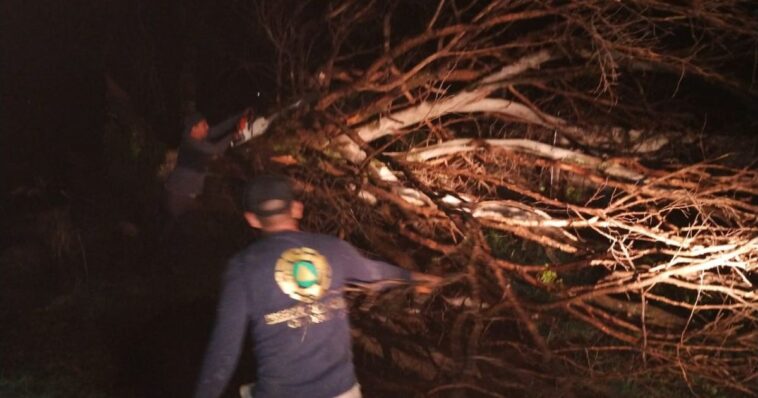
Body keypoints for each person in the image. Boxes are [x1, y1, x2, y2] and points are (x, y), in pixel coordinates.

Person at [193, 174, 440, 398]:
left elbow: (224, 350)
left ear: (253, 220)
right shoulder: (333, 248)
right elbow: (377, 274)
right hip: (342, 392)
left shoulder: (242, 268)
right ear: (297, 209)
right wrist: (414, 278)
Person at [163, 110, 250, 219]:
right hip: (177, 196)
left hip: (188, 194)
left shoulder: (197, 136)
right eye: (204, 125)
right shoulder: (190, 143)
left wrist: (240, 115)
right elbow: (215, 150)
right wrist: (233, 135)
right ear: (194, 129)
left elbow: (219, 129)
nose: (207, 127)